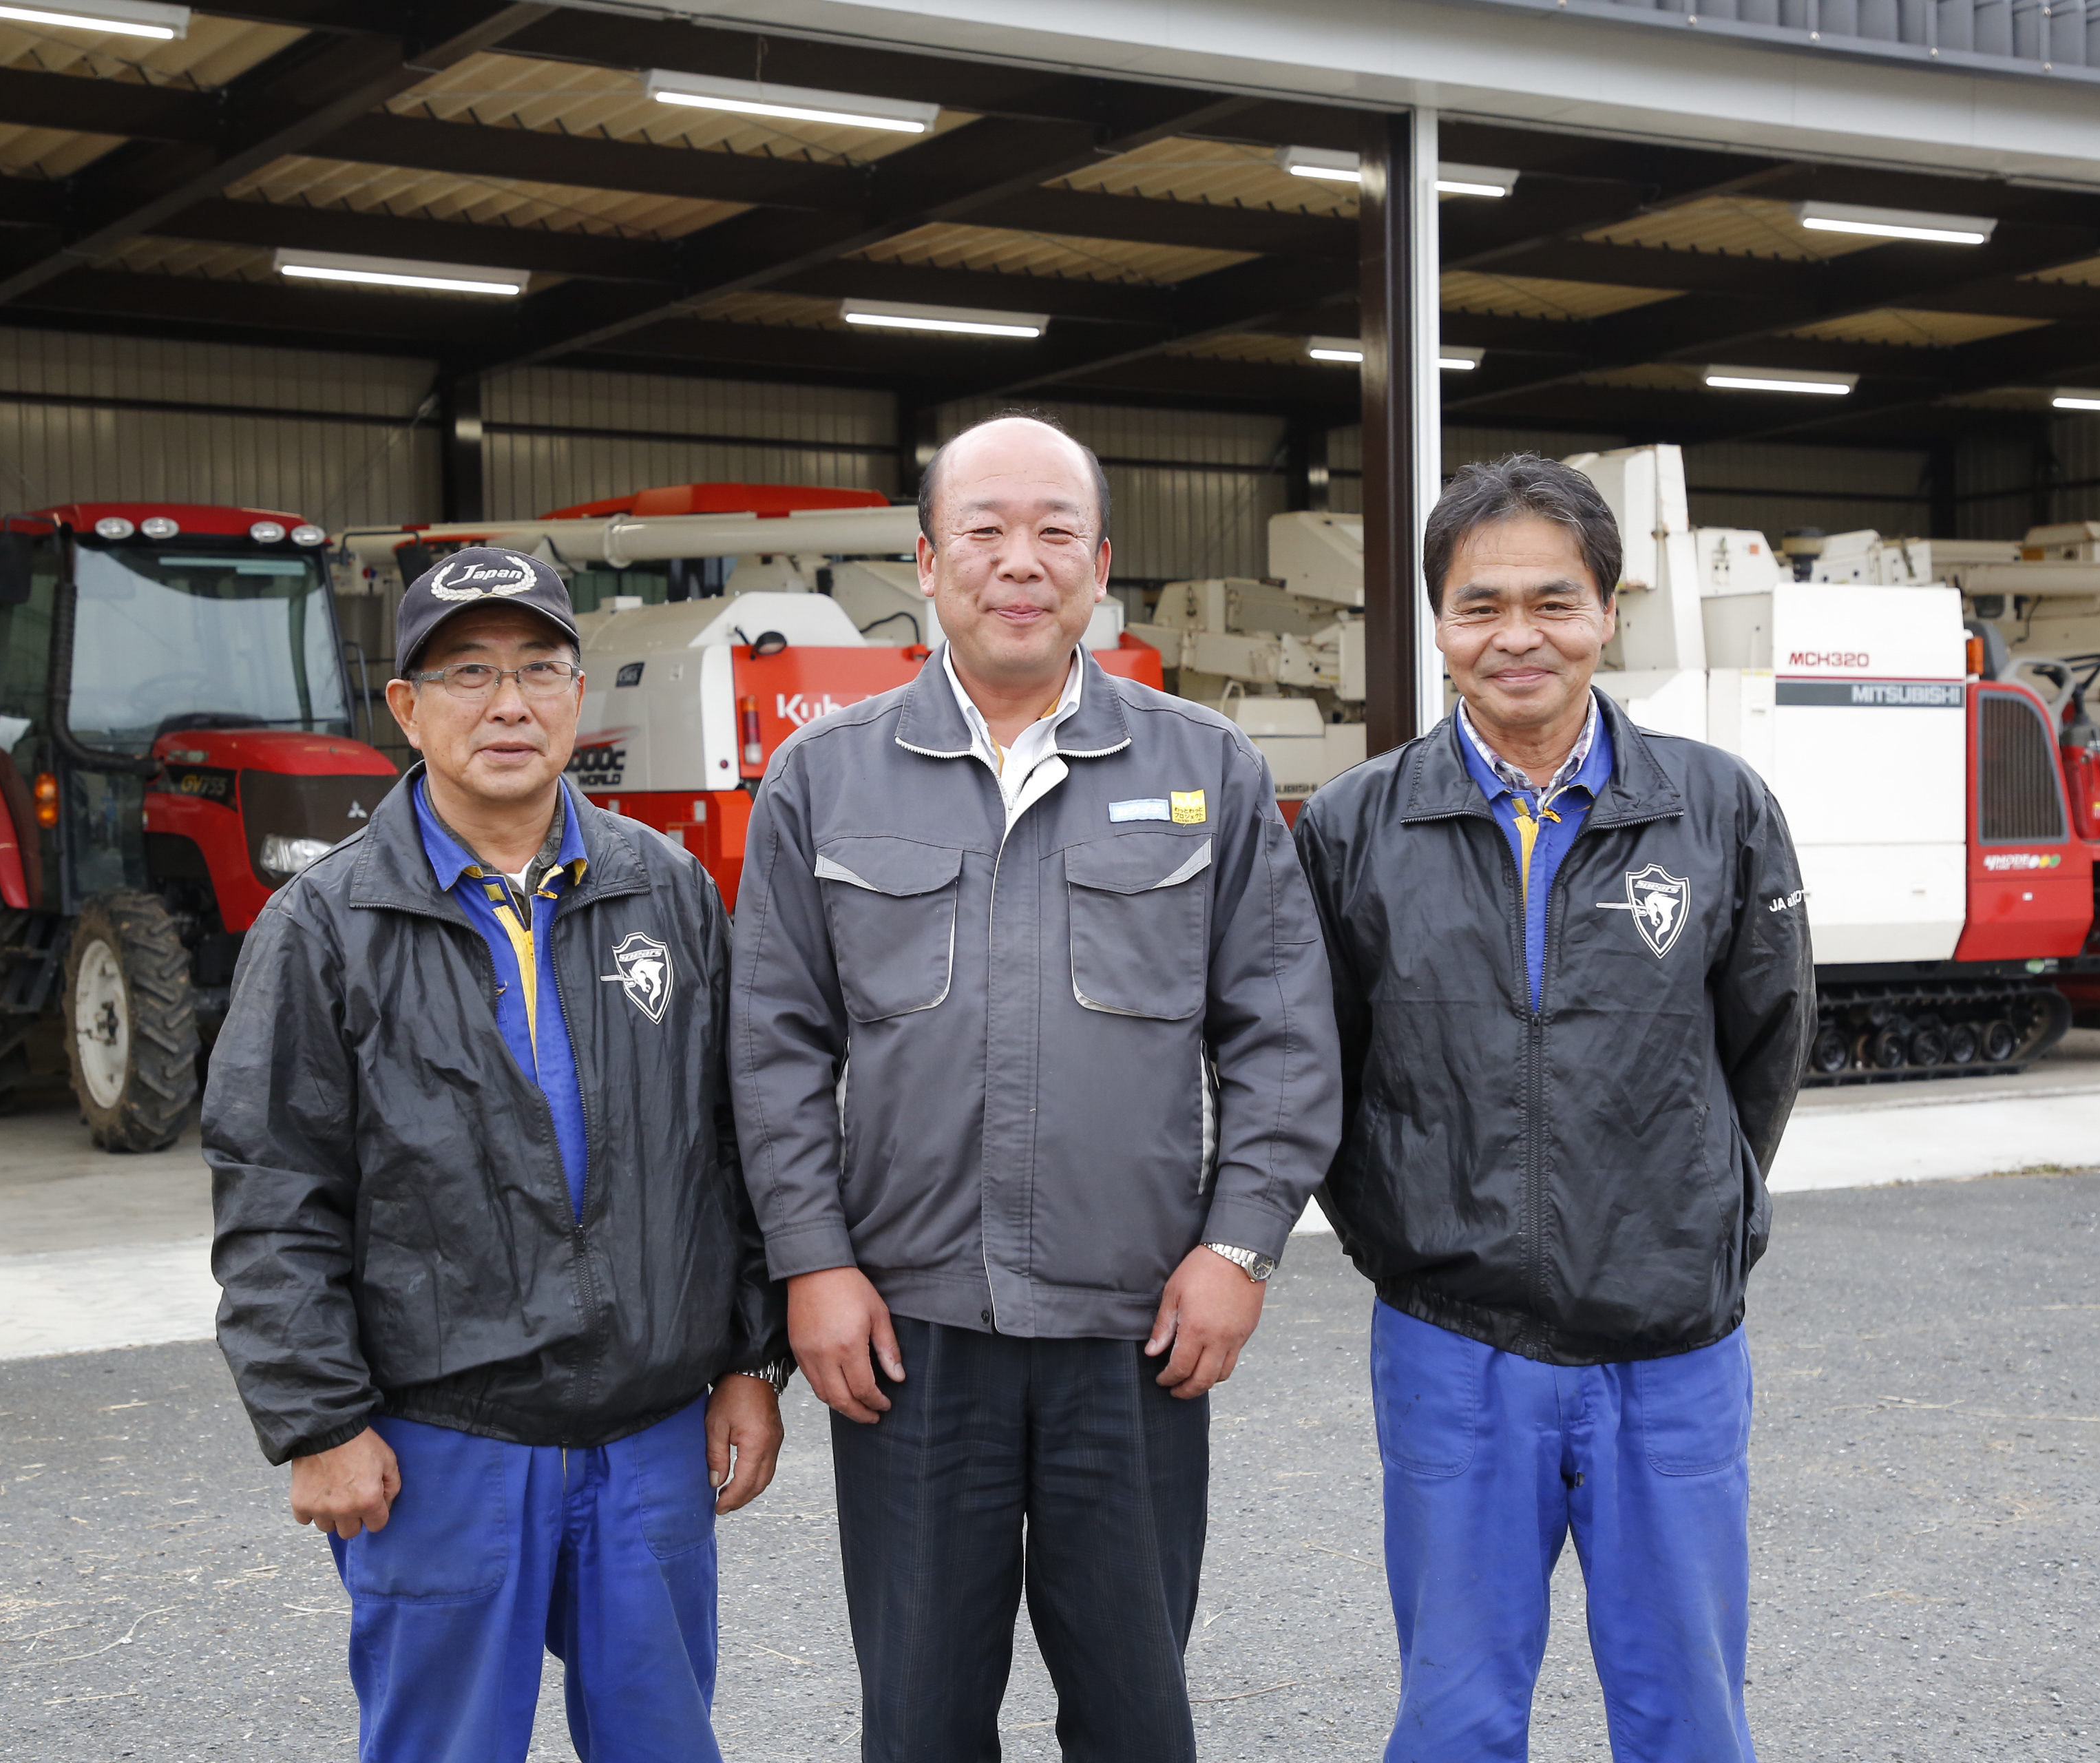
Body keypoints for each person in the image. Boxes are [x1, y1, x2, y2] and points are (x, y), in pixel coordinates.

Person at [731, 412, 1343, 1762]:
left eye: (1056, 530)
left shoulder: (1206, 769)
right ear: (926, 561)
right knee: (920, 1719)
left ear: (1101, 563)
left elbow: (1285, 1038)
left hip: (1133, 1330)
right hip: (907, 1335)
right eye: (985, 530)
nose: (1021, 560)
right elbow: (773, 1050)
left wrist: (1240, 1248)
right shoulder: (824, 780)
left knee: (1134, 1716)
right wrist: (813, 1262)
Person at [204, 546, 788, 1763]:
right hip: (443, 1444)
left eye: (537, 670)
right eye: (467, 673)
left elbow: (735, 1147)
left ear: (578, 695)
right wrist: (317, 1421)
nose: (508, 704)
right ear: (406, 708)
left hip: (647, 1435)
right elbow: (273, 1191)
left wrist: (749, 1356)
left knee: (664, 1743)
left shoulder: (668, 892)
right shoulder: (325, 927)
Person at [1294, 454, 1816, 1762]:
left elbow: (1766, 1045)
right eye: (1480, 605)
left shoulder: (1718, 809)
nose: (1517, 635)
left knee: (1689, 1712)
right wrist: (1405, 1235)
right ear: (1437, 623)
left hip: (1671, 1342)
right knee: (1455, 1714)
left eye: (1553, 601)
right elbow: (1316, 1067)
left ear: (1607, 612)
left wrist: (1688, 1211)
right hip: (1453, 1344)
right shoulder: (1355, 826)